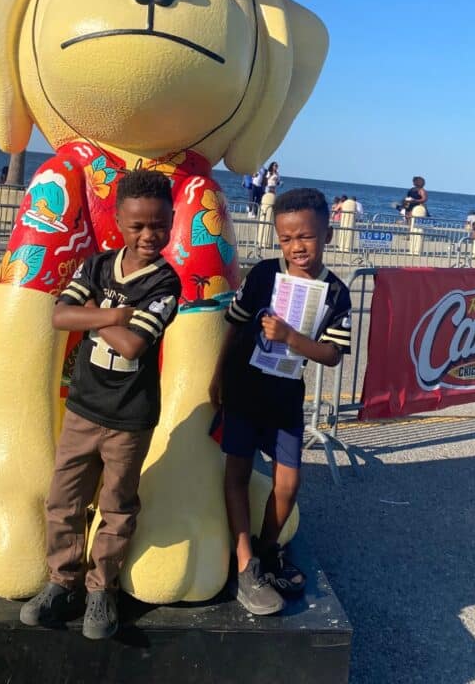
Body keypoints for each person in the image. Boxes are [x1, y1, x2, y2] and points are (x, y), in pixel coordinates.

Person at [20, 170, 181, 639]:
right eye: (138, 226)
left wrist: (90, 317)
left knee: (116, 506)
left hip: (129, 420)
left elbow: (133, 345)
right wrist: (111, 314)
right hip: (83, 409)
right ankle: (61, 581)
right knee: (64, 499)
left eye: (159, 225)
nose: (149, 235)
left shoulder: (166, 284)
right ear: (118, 221)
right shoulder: (95, 266)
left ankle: (100, 589)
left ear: (171, 220)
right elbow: (58, 315)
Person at [209, 188, 351, 614]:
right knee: (236, 472)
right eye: (286, 239)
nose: (296, 247)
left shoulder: (337, 292)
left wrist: (291, 338)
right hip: (244, 388)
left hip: (286, 396)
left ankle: (268, 548)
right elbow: (233, 326)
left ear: (327, 232)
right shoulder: (263, 275)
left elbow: (332, 354)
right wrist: (218, 374)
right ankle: (245, 561)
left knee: (288, 483)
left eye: (305, 236)